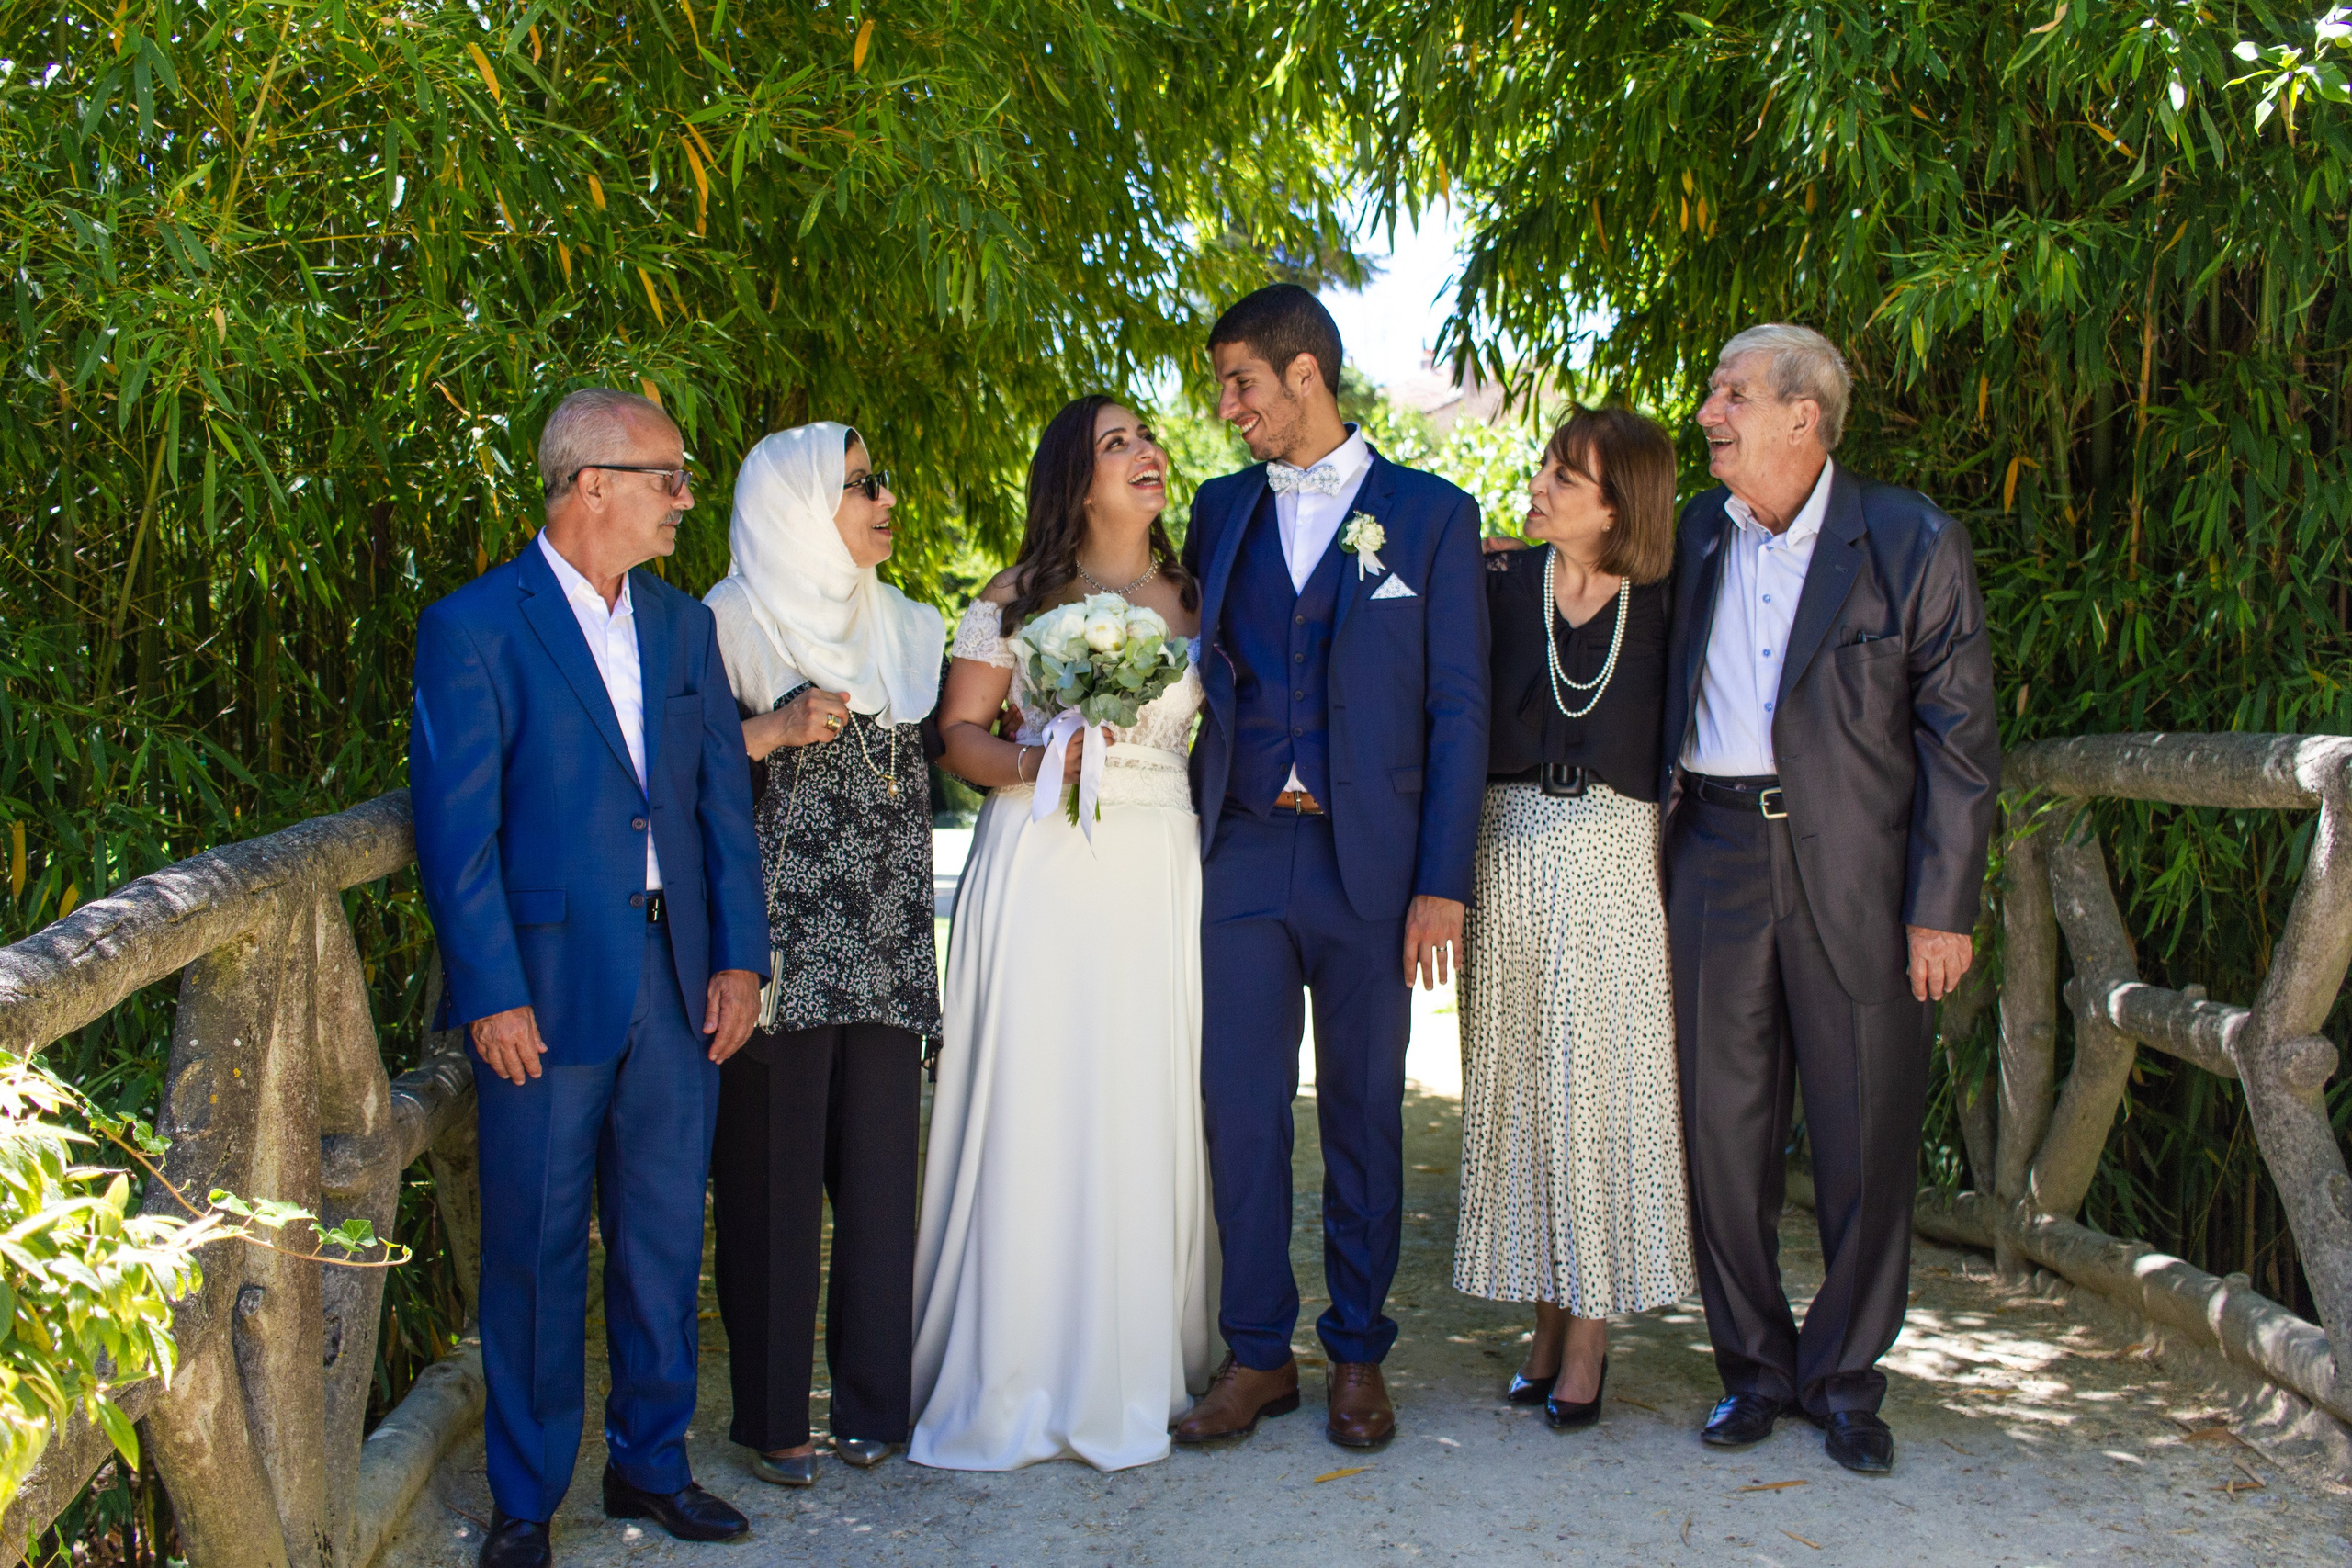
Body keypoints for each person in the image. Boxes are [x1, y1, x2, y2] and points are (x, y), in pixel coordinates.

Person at [410, 388, 768, 1568]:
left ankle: (648, 1468)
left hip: (678, 981)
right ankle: (525, 1502)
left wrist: (737, 958)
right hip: (544, 994)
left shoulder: (682, 628)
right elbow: (454, 836)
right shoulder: (474, 627)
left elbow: (723, 806)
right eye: (666, 474)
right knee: (535, 1248)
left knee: (666, 1238)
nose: (683, 496)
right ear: (588, 485)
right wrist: (489, 992)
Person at [1660, 323, 1998, 1474]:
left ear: (1803, 416)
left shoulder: (1908, 541)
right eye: (1713, 391)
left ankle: (1846, 1381)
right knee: (1720, 1133)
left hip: (1856, 876)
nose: (1708, 411)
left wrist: (1941, 905)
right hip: (1709, 855)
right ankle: (1752, 1371)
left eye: (1731, 393)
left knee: (1865, 1132)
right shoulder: (1691, 536)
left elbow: (1960, 744)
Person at [1176, 284, 1489, 1450]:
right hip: (1246, 849)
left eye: (1240, 383)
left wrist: (1439, 881)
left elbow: (1457, 710)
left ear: (1304, 375)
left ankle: (1357, 1350)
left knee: (1363, 1108)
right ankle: (1257, 1353)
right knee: (1239, 1110)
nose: (1227, 409)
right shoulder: (1217, 513)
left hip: (1374, 862)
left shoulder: (1431, 517)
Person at [910, 394, 1216, 1470]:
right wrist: (1040, 762)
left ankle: (1133, 1357)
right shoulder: (1016, 594)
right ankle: (1017, 1362)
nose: (1147, 454)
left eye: (1148, 438)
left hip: (1156, 865)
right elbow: (957, 737)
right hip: (1039, 863)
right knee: (1039, 1095)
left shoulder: (1199, 592)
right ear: (1075, 481)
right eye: (1117, 444)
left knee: (1141, 1090)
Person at [702, 423, 944, 1487]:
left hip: (886, 948)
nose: (881, 498)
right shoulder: (728, 621)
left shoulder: (910, 627)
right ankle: (771, 1420)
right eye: (856, 486)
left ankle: (873, 1405)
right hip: (774, 956)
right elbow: (676, 772)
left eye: (877, 479)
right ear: (796, 508)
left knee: (884, 1185)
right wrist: (769, 729)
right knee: (770, 1190)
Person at [1456, 406, 1694, 1431]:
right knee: (1522, 1088)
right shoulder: (1499, 580)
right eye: (1546, 465)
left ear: (1619, 504)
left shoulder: (1676, 597)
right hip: (1504, 847)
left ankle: (1591, 1329)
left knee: (1598, 1090)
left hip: (1612, 854)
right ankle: (1547, 1317)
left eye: (1567, 475)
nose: (1541, 483)